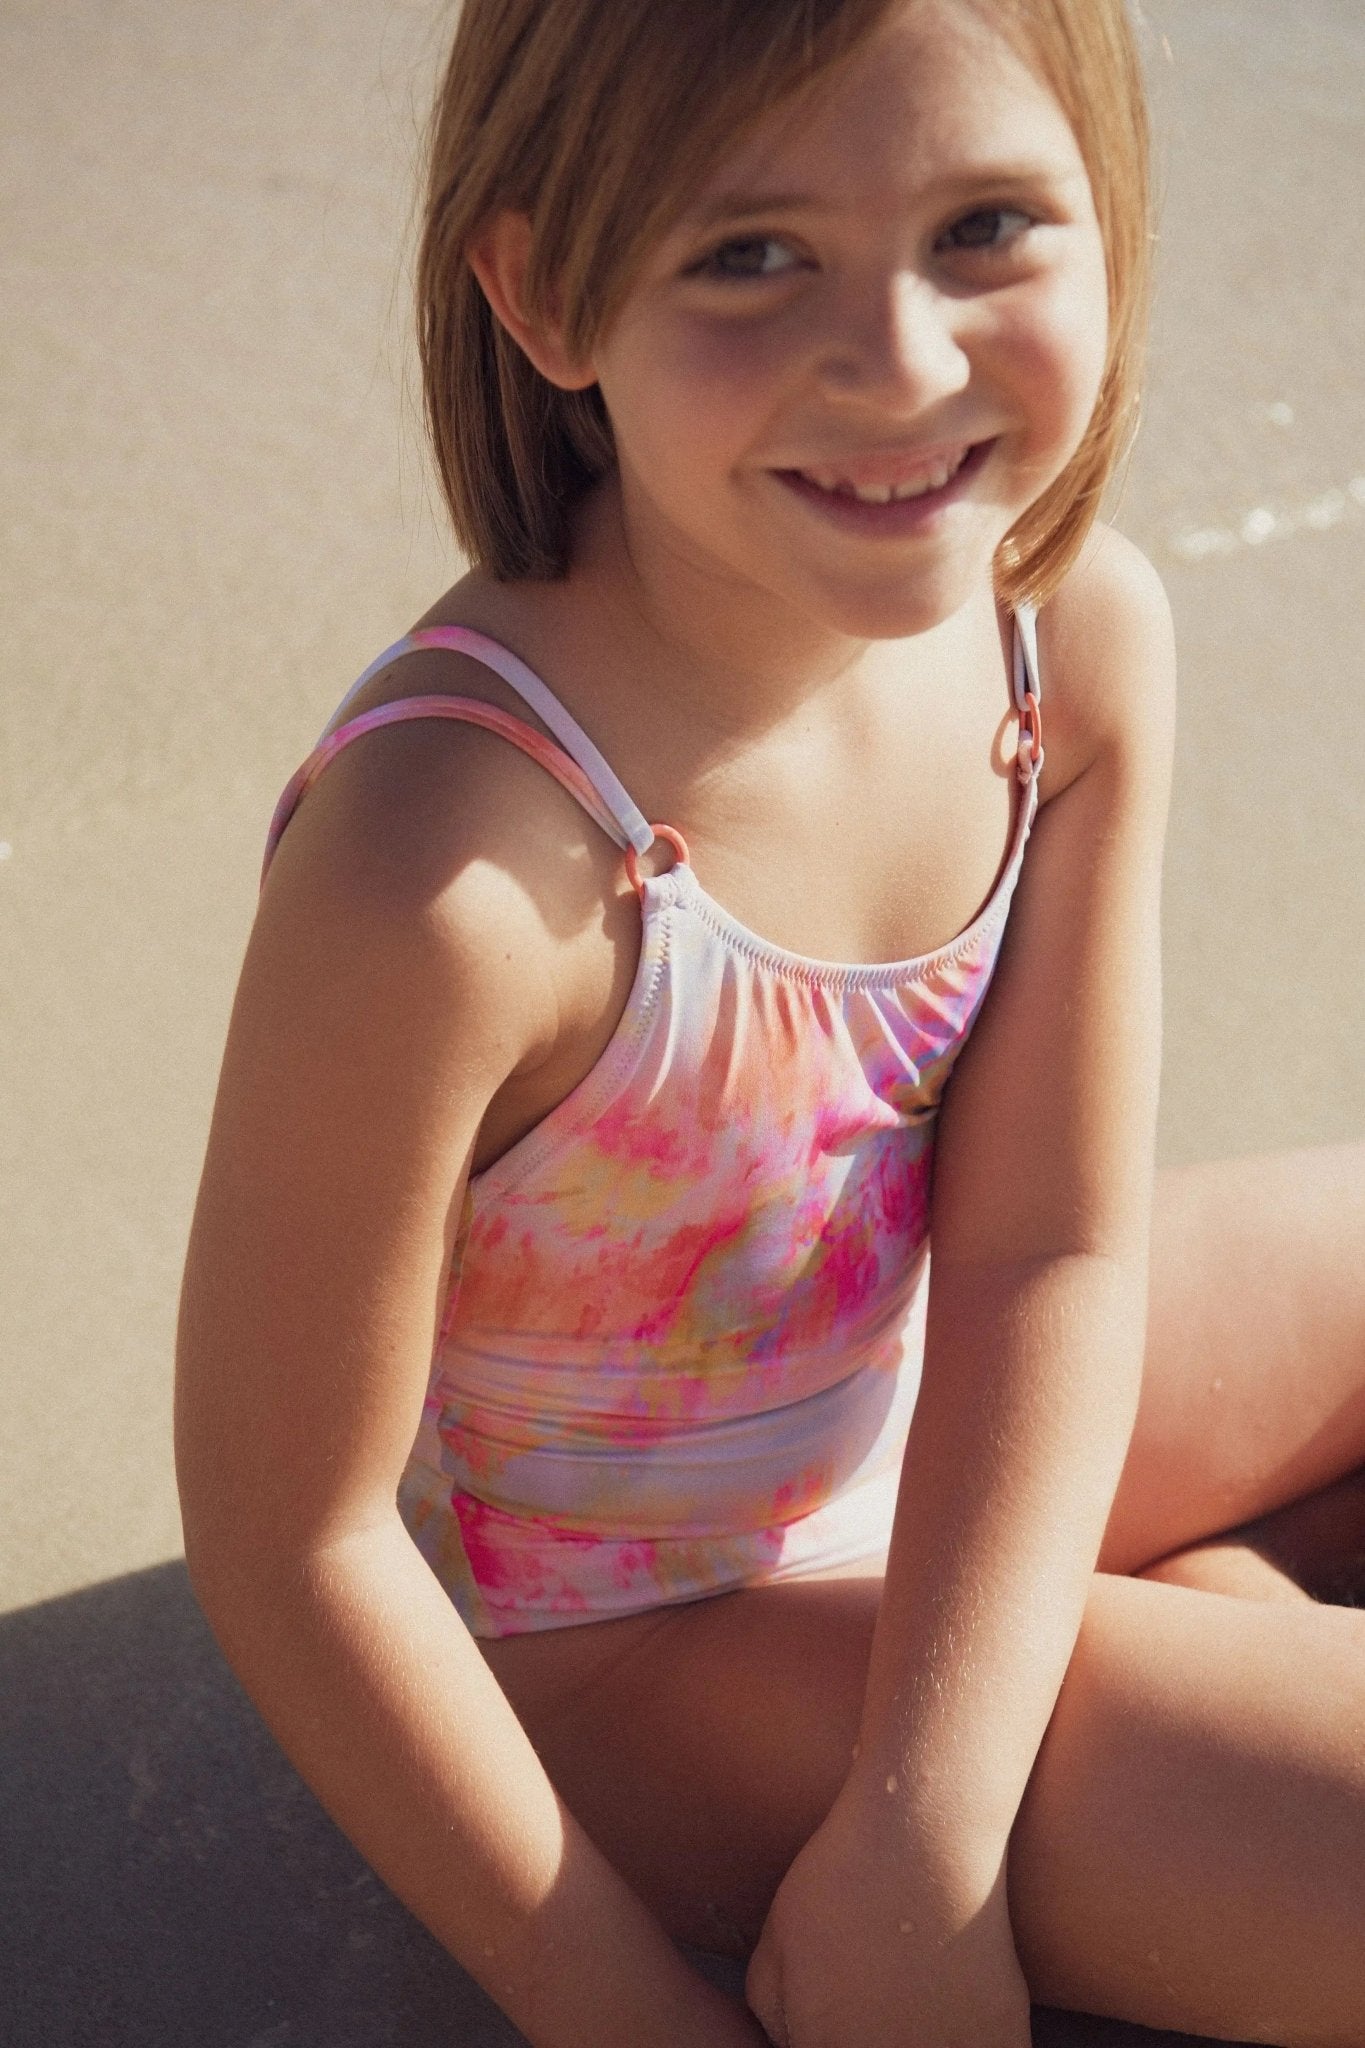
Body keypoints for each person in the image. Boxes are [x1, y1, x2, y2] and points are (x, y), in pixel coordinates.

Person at [173, 2, 1365, 2043]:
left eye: (986, 222)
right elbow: (293, 1537)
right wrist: (622, 2001)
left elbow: (1044, 1248)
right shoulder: (447, 871)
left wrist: (926, 1821)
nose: (898, 362)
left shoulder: (1062, 642)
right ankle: (1164, 1666)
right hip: (634, 1642)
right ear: (542, 289)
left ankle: (1167, 1645)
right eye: (747, 254)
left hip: (923, 1380)